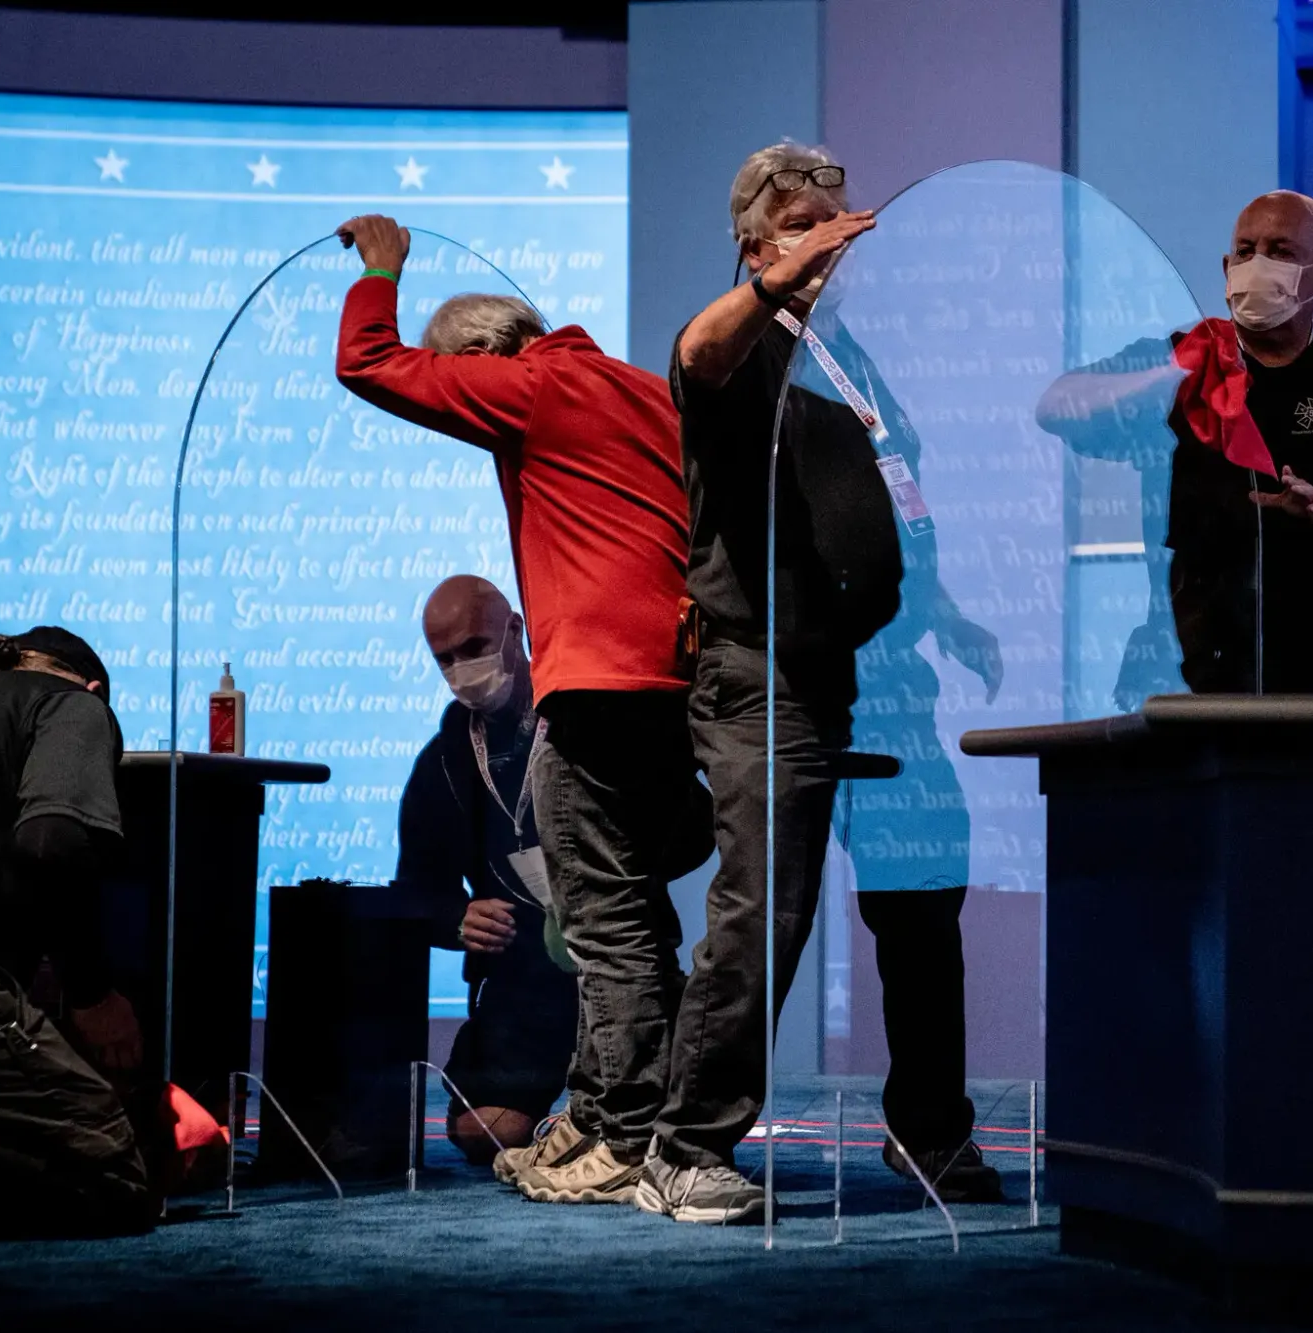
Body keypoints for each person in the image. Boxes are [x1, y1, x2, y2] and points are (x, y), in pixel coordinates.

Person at [638, 142, 999, 1225]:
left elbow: (878, 506)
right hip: (767, 674)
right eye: (808, 223)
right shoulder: (741, 348)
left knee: (921, 901)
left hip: (882, 670)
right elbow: (695, 351)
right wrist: (770, 287)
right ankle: (683, 1148)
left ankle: (929, 1131)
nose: (837, 238)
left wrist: (944, 615)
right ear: (757, 245)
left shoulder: (848, 359)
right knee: (767, 912)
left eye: (844, 221)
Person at [337, 217, 705, 1208]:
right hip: (677, 682)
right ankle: (618, 1115)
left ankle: (624, 1131)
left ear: (485, 359)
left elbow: (369, 364)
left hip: (597, 685)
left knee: (603, 922)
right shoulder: (643, 390)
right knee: (623, 914)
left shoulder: (533, 385)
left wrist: (381, 267)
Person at [1038, 190, 1313, 695]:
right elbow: (1056, 407)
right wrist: (1162, 375)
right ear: (1226, 267)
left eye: (1281, 252)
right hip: (1182, 667)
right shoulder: (1183, 360)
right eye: (1245, 251)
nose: (1257, 265)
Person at [0, 627, 156, 1238]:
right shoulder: (73, 704)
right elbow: (52, 842)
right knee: (114, 1175)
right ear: (95, 687)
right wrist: (93, 993)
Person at [396, 576, 582, 1168]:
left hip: (612, 956)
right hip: (518, 974)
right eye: (445, 659)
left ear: (516, 631)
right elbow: (417, 891)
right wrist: (456, 918)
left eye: (474, 647)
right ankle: (572, 1126)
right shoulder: (444, 761)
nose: (461, 669)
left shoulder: (584, 720)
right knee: (482, 1134)